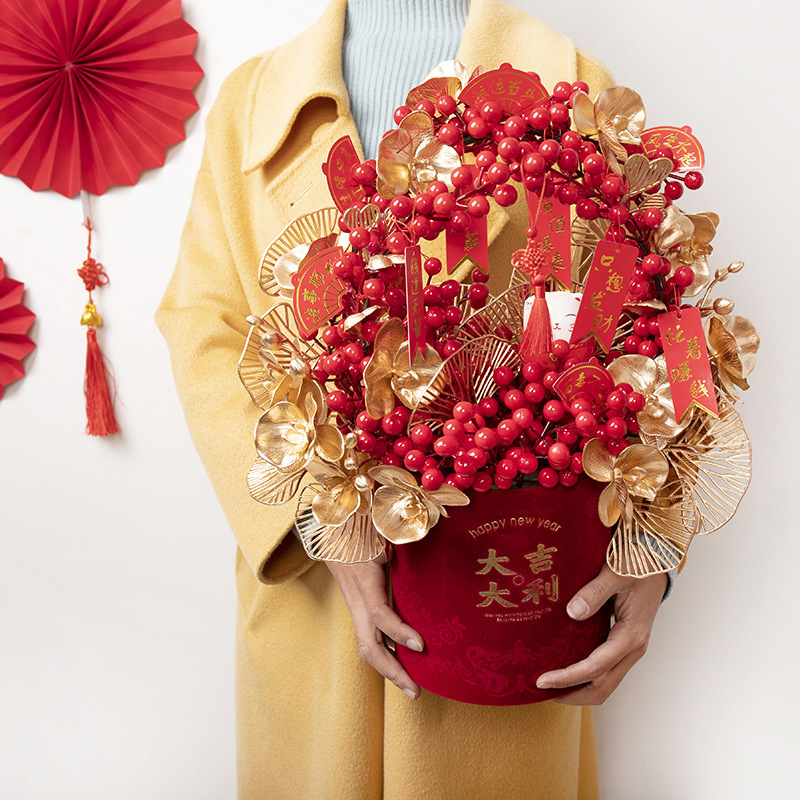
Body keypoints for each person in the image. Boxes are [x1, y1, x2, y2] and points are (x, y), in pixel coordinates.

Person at [157, 0, 668, 796]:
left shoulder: (568, 84)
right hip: (317, 594)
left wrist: (654, 547)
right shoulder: (255, 103)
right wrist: (316, 516)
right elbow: (203, 325)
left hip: (513, 579)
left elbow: (646, 317)